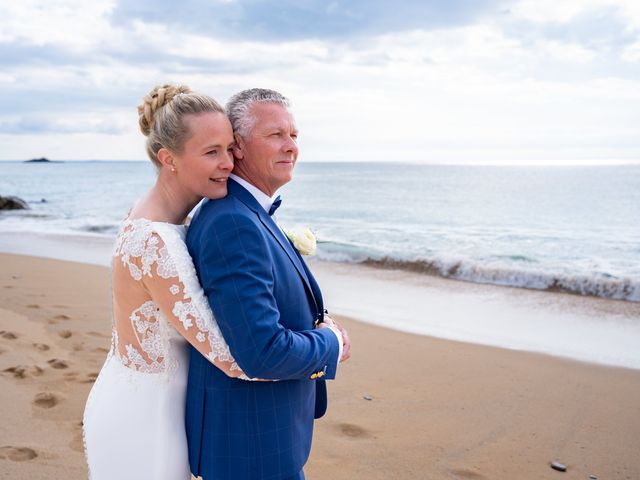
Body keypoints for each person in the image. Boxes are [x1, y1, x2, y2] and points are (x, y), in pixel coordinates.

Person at [83, 84, 257, 479]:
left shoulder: (158, 216)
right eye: (211, 152)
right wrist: (317, 348)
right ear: (169, 159)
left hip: (136, 398)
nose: (228, 162)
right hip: (147, 419)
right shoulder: (154, 240)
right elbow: (231, 357)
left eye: (230, 148)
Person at [185, 88, 351, 480]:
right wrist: (333, 343)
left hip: (263, 436)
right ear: (237, 146)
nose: (291, 146)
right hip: (250, 448)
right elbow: (262, 351)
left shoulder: (247, 213)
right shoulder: (234, 223)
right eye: (276, 135)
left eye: (294, 135)